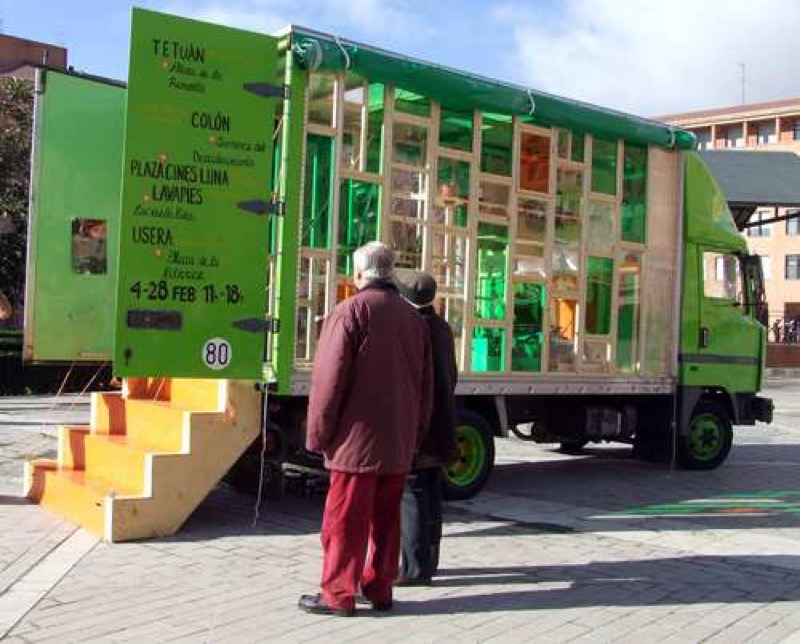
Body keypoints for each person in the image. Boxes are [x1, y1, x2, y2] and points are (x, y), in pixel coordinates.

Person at [299, 242, 433, 617]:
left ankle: (339, 594)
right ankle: (379, 590)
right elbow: (425, 386)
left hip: (356, 444)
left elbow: (328, 382)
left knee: (344, 521)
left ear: (358, 275)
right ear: (391, 273)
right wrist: (415, 435)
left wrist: (317, 435)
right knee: (387, 521)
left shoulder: (349, 312)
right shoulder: (413, 319)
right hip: (398, 442)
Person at [395, 269, 459, 586]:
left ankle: (414, 569)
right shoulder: (442, 327)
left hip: (421, 427)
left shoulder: (413, 330)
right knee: (431, 494)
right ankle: (430, 560)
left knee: (412, 495)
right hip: (442, 423)